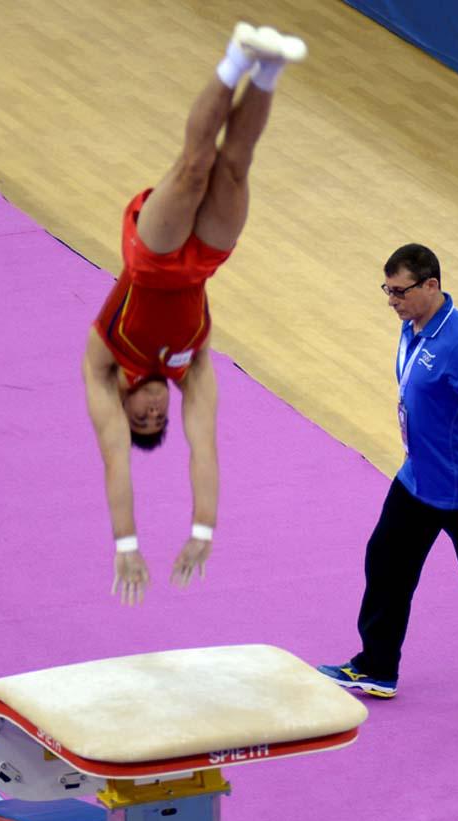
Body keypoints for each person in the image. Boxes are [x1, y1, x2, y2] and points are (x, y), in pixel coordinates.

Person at [82, 23, 306, 605]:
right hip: (204, 260)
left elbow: (115, 465)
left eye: (145, 418)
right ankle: (270, 68)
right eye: (161, 420)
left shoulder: (103, 368)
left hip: (152, 257)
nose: (156, 410)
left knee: (193, 167)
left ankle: (236, 57)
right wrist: (201, 529)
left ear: (126, 405)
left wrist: (126, 543)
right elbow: (204, 452)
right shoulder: (195, 372)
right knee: (234, 167)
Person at [318, 244, 458, 705]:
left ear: (431, 285)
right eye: (387, 290)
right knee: (386, 564)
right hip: (418, 479)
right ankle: (377, 665)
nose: (391, 301)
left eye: (399, 292)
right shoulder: (414, 325)